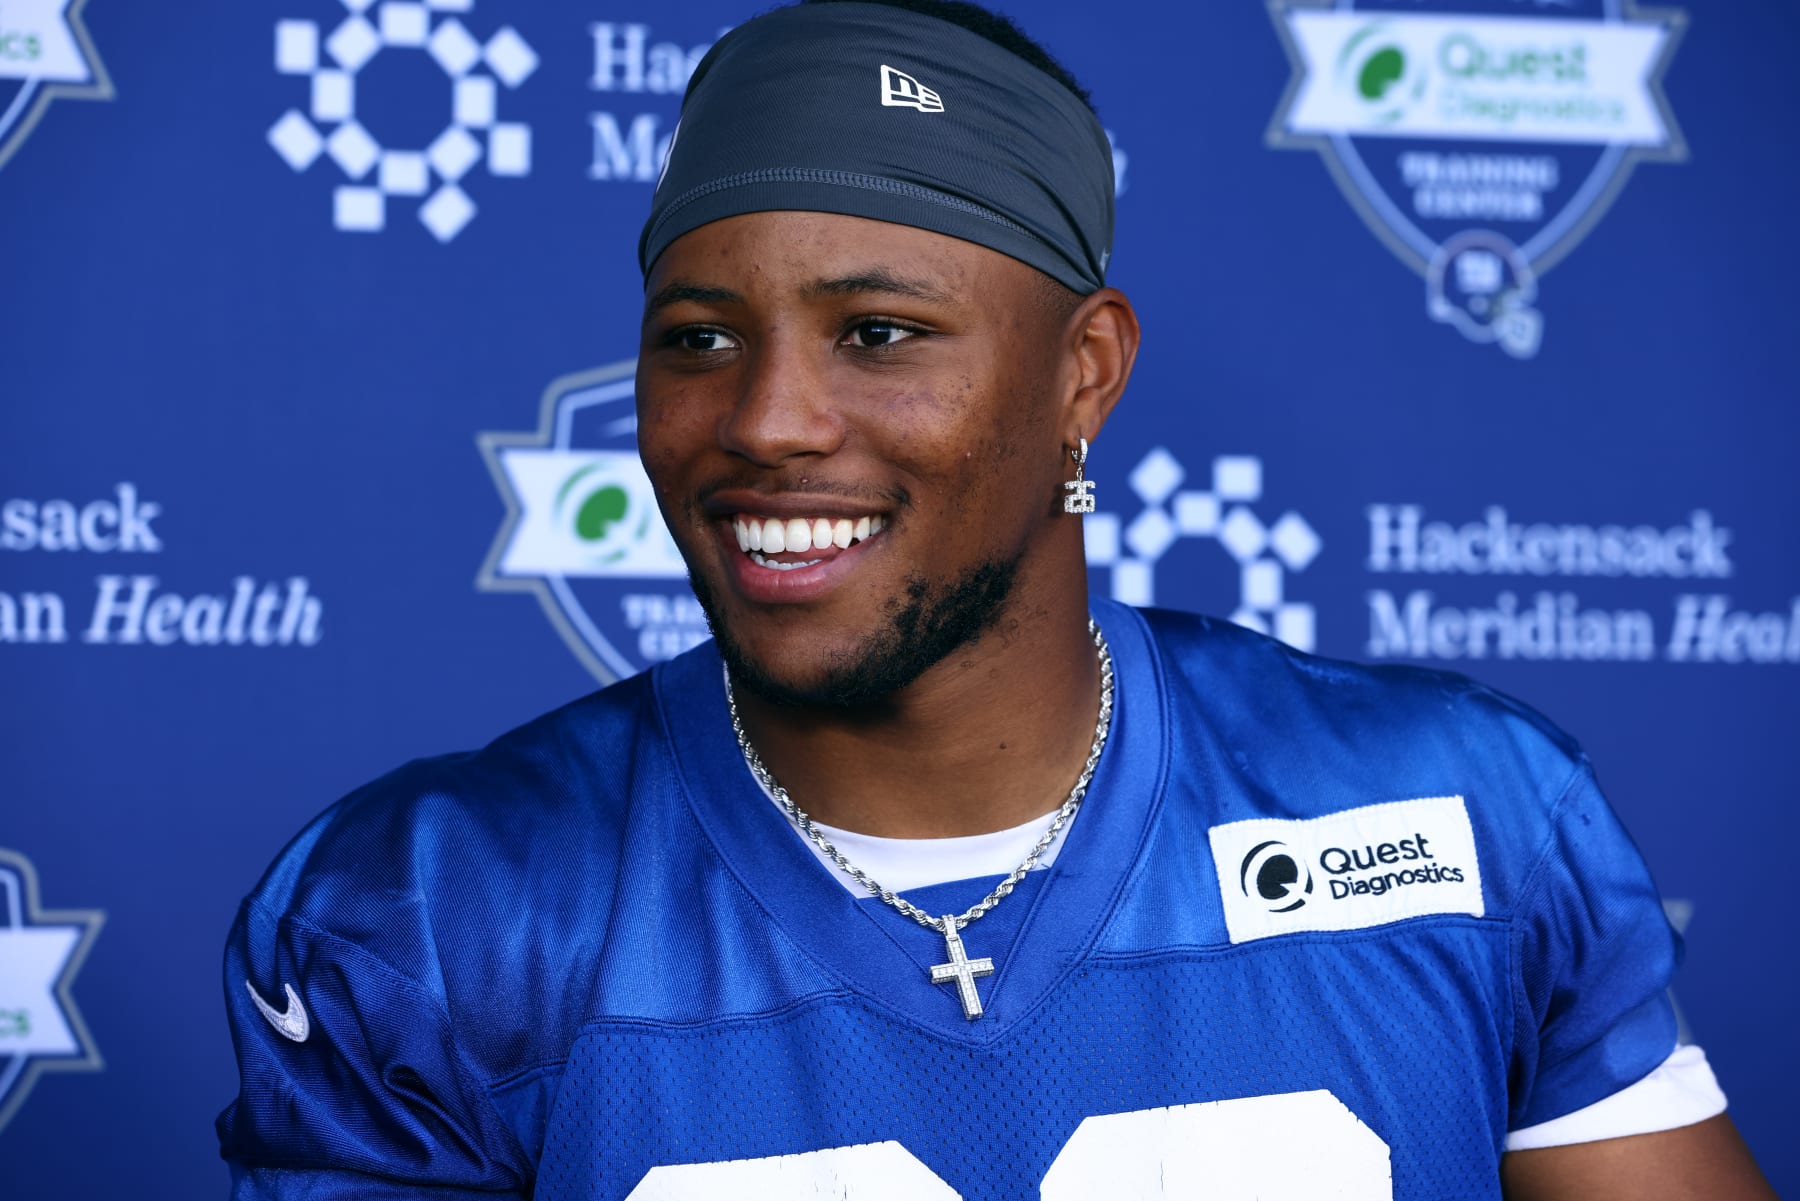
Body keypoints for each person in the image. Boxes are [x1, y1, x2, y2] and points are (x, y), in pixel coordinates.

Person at [218, 1, 1778, 1197]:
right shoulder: (429, 910)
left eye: (880, 333)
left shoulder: (1470, 810)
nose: (764, 418)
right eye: (697, 336)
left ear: (1082, 375)